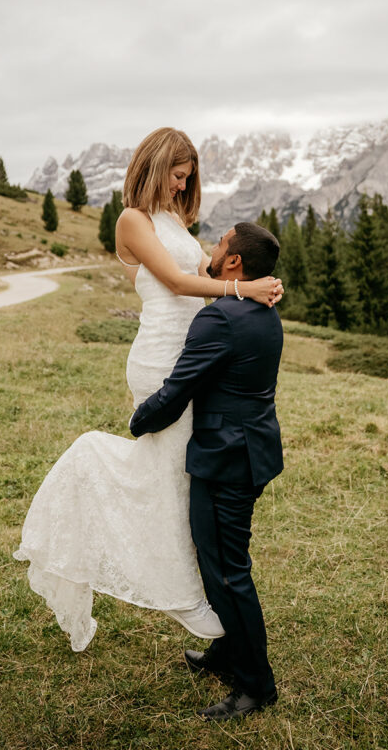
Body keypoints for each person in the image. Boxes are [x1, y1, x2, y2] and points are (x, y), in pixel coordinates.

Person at [13, 128, 283, 652]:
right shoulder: (131, 220)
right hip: (160, 357)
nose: (183, 187)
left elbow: (209, 267)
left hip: (194, 353)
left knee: (180, 477)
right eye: (178, 175)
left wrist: (258, 283)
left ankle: (191, 587)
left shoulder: (175, 220)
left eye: (188, 179)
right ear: (156, 166)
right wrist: (241, 288)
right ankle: (182, 594)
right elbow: (180, 284)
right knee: (168, 476)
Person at [130, 222, 284, 720]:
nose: (210, 251)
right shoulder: (262, 310)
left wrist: (139, 420)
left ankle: (255, 685)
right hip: (251, 448)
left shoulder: (218, 319)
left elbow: (178, 391)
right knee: (218, 563)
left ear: (235, 261)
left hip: (226, 459)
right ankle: (225, 651)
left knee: (228, 573)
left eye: (219, 245)